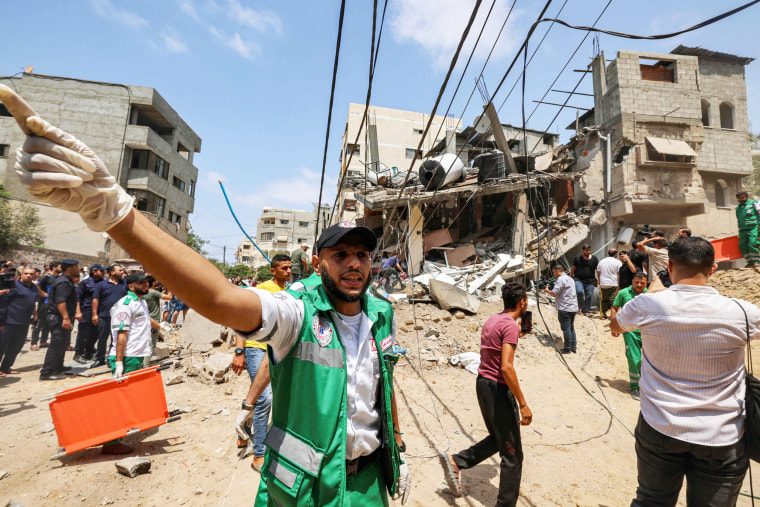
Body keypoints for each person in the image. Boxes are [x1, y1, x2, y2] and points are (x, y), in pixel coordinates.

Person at [5, 89, 410, 505]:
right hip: (304, 492)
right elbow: (220, 298)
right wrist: (116, 213)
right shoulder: (298, 310)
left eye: (362, 254)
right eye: (340, 255)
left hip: (367, 485)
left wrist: (395, 441)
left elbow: (382, 381)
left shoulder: (380, 313)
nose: (354, 264)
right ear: (317, 261)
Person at [611, 237, 759, 505]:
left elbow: (616, 325)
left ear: (669, 265)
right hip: (722, 435)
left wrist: (652, 294)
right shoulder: (742, 312)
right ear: (712, 268)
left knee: (651, 500)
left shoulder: (647, 305)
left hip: (660, 426)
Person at [444, 282, 533, 505]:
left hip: (483, 384)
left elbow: (496, 346)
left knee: (499, 439)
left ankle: (457, 461)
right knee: (512, 455)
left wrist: (518, 334)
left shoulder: (494, 320)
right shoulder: (510, 326)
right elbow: (506, 367)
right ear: (522, 303)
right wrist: (522, 403)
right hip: (497, 388)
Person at [232, 253, 290, 471]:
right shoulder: (260, 290)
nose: (288, 271)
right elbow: (241, 318)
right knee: (265, 398)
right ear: (273, 271)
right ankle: (259, 452)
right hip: (257, 349)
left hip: (278, 351)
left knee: (268, 396)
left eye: (289, 267)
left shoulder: (290, 292)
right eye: (283, 268)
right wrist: (239, 351)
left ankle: (246, 425)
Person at [102, 272, 157, 454]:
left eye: (147, 282)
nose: (146, 285)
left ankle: (120, 433)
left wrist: (161, 326)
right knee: (120, 399)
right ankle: (110, 442)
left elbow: (146, 320)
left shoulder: (140, 301)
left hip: (138, 355)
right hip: (127, 357)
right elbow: (121, 335)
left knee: (129, 397)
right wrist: (119, 363)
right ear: (131, 285)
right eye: (141, 283)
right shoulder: (125, 305)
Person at [39, 259, 80, 380]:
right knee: (56, 344)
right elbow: (60, 301)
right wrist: (66, 318)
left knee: (63, 343)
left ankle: (58, 366)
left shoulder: (66, 280)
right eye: (76, 267)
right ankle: (47, 371)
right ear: (69, 269)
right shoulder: (63, 282)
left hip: (62, 317)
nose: (78, 270)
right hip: (58, 317)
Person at [609, 271, 647, 400]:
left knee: (649, 361)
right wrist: (613, 325)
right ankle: (635, 388)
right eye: (637, 282)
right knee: (633, 358)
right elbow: (614, 308)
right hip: (629, 332)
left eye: (642, 282)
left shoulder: (651, 294)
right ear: (632, 282)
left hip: (648, 332)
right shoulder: (623, 293)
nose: (639, 284)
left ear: (646, 283)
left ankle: (647, 386)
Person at [0, 267, 38, 376]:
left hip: (24, 322)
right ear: (21, 274)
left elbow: (32, 301)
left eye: (31, 274)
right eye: (26, 273)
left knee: (16, 346)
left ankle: (6, 367)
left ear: (35, 275)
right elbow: (3, 300)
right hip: (9, 321)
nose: (28, 275)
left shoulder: (34, 287)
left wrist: (35, 314)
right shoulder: (14, 286)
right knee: (2, 345)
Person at [91, 264, 127, 368]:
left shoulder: (124, 283)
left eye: (122, 270)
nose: (122, 272)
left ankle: (112, 358)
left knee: (116, 338)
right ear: (112, 272)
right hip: (105, 315)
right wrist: (94, 314)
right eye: (120, 270)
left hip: (120, 317)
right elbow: (95, 299)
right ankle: (100, 358)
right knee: (102, 338)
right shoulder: (101, 285)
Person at [73, 263, 105, 364]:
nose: (104, 273)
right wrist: (78, 311)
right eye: (101, 271)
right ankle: (78, 353)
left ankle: (89, 352)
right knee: (84, 332)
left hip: (99, 311)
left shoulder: (104, 283)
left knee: (95, 333)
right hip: (87, 310)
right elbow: (78, 298)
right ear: (94, 272)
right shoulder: (85, 283)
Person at [545, 264, 579, 354]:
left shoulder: (561, 279)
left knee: (566, 328)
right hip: (573, 307)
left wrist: (547, 291)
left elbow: (554, 293)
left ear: (558, 271)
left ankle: (567, 348)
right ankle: (573, 347)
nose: (554, 274)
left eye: (554, 272)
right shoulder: (570, 279)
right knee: (571, 327)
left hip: (565, 307)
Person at [31, 261, 61, 350]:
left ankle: (43, 341)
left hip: (52, 304)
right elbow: (35, 284)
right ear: (54, 268)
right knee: (39, 323)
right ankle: (34, 343)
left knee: (48, 323)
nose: (61, 268)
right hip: (44, 303)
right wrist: (42, 293)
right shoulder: (46, 277)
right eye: (60, 267)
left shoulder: (57, 278)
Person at [570, 244, 598, 317]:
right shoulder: (577, 258)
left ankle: (587, 311)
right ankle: (580, 306)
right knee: (579, 292)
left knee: (589, 295)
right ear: (582, 250)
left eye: (589, 250)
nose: (588, 251)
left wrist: (597, 280)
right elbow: (573, 268)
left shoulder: (594, 259)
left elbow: (597, 270)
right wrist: (569, 278)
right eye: (586, 250)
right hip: (578, 279)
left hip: (590, 280)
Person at [735, 190, 760, 266]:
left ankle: (756, 261)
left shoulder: (753, 203)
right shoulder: (738, 208)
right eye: (739, 198)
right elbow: (739, 220)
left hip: (753, 228)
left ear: (747, 197)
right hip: (743, 230)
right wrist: (739, 230)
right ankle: (750, 262)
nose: (741, 199)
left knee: (753, 244)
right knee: (742, 246)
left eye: (742, 198)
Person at [595, 248, 621, 319]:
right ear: (616, 254)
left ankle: (603, 315)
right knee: (614, 301)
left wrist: (599, 280)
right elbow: (619, 273)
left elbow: (598, 271)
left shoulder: (602, 261)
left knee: (603, 300)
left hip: (603, 284)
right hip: (613, 284)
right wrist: (619, 283)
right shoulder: (618, 262)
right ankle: (614, 316)